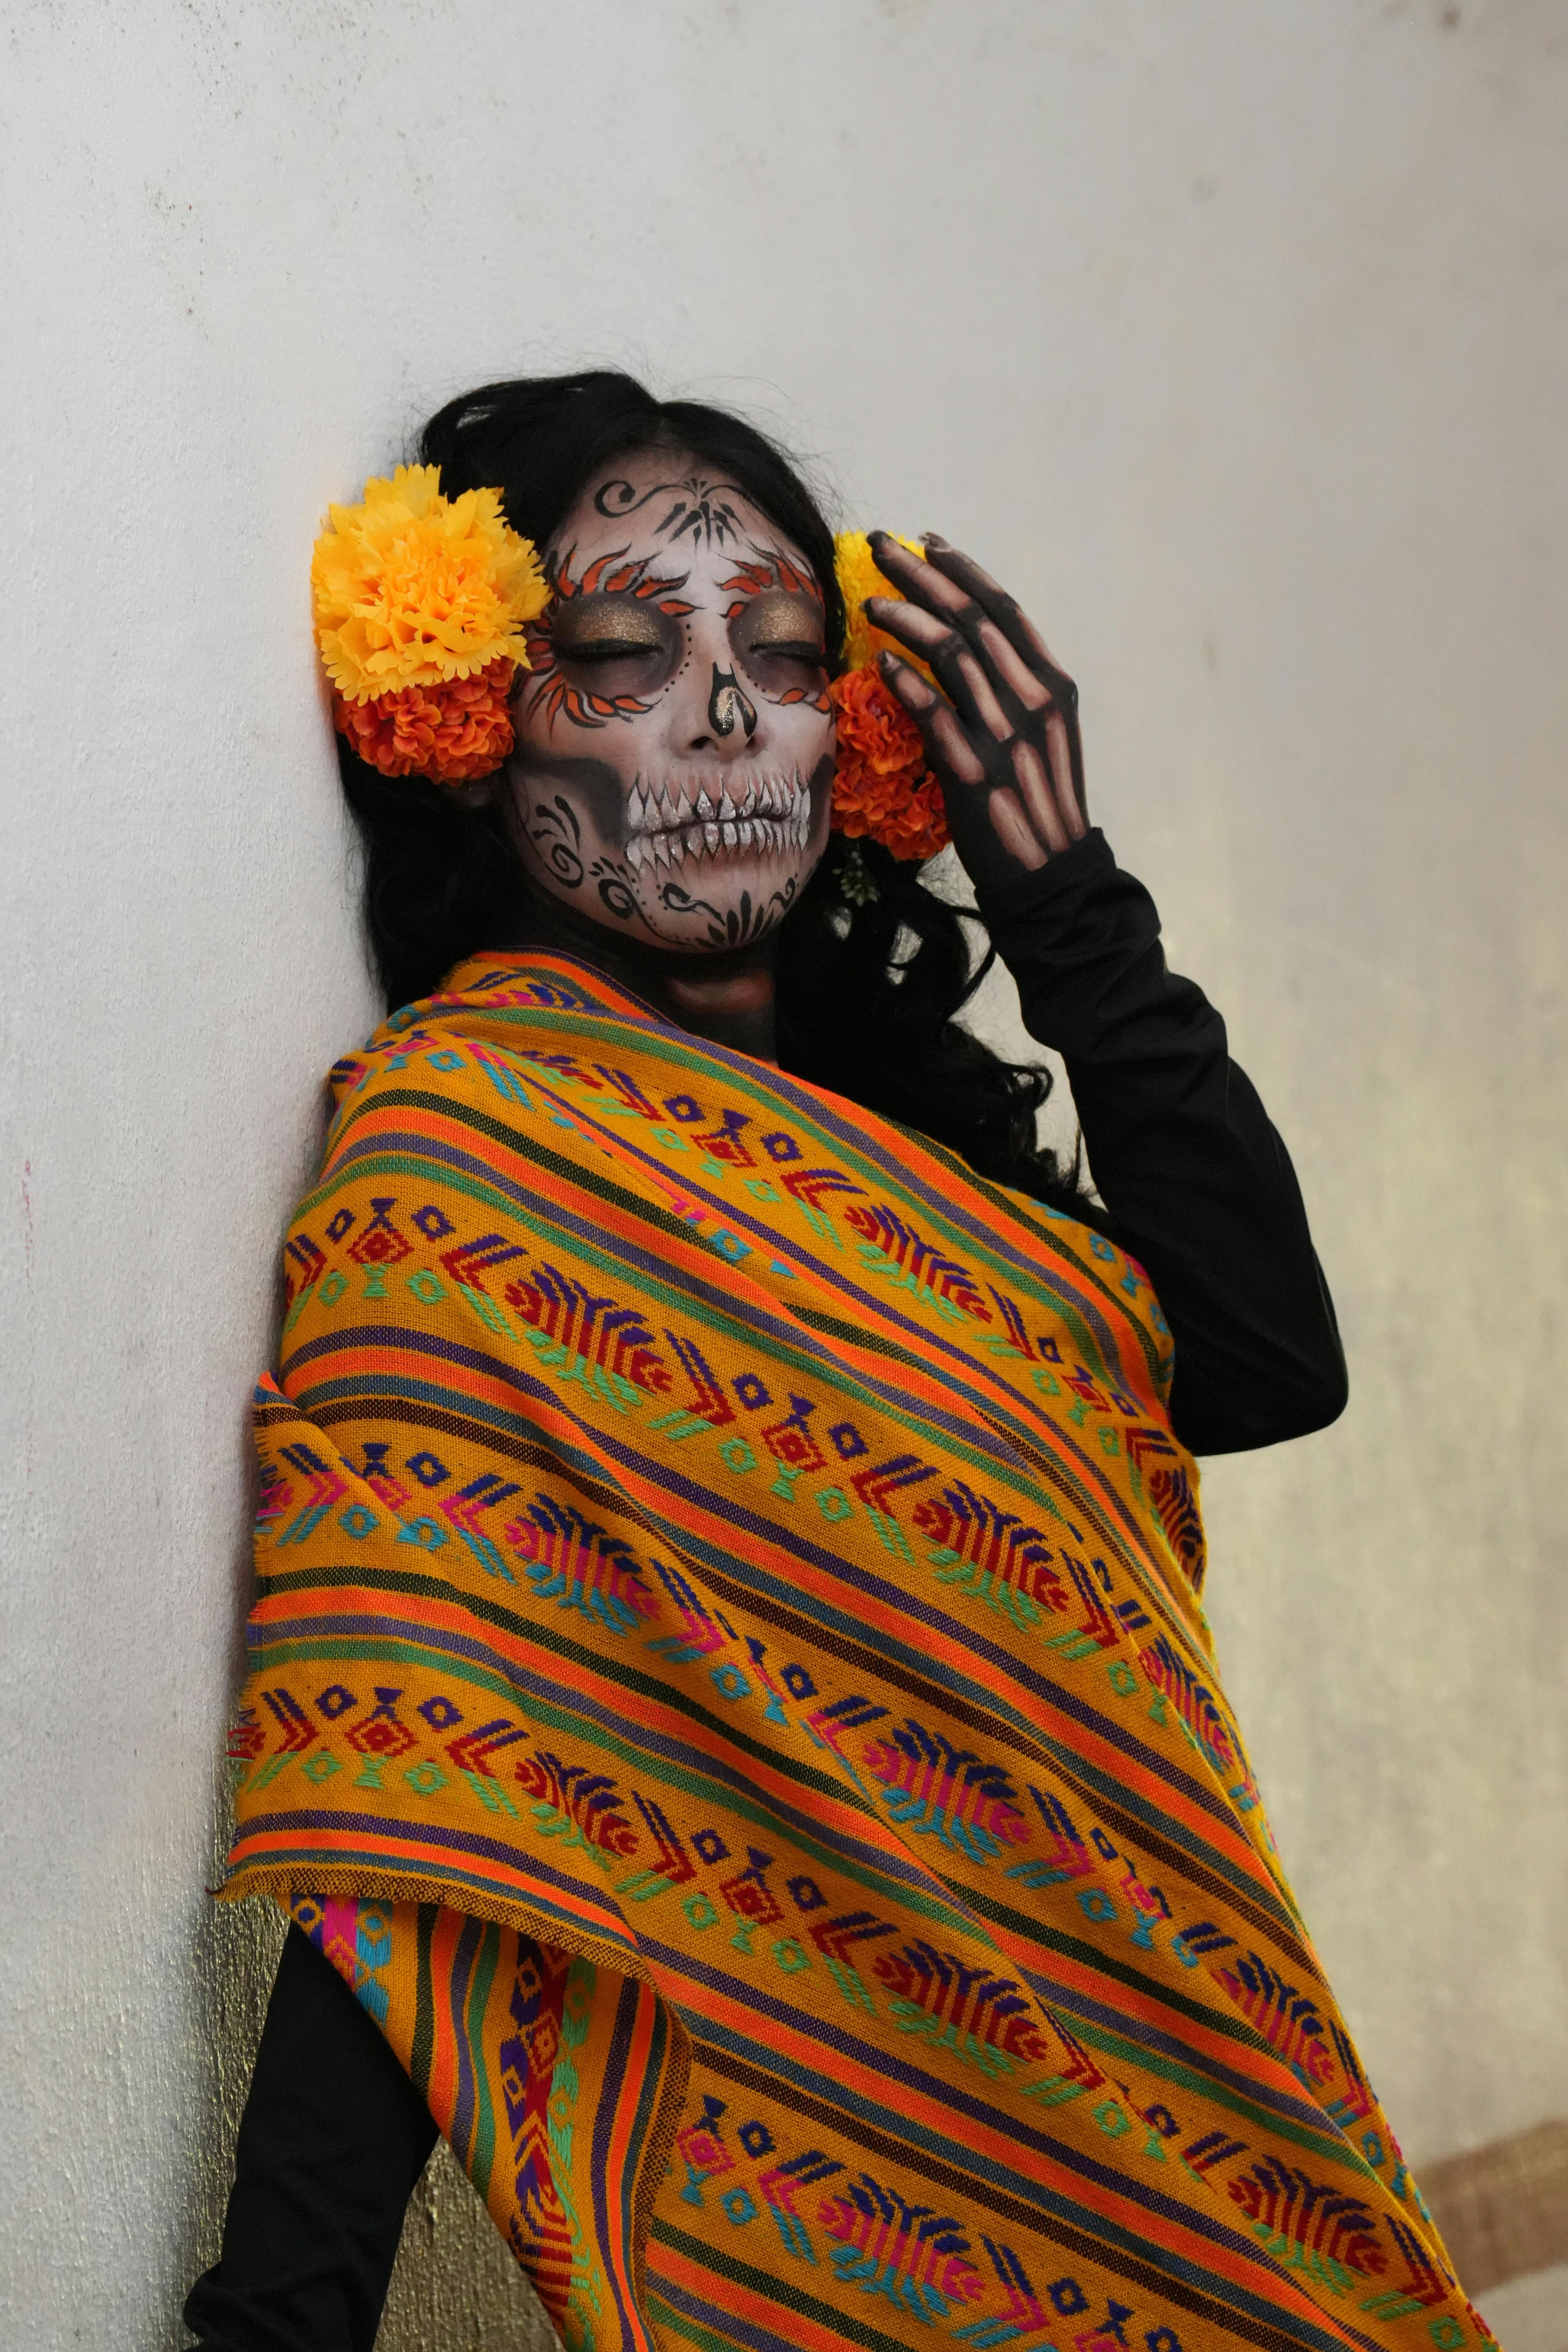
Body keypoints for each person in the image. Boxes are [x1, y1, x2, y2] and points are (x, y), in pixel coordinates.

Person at [185, 374, 1485, 2352]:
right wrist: (281, 2312)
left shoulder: (934, 1170)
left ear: (861, 729)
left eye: (787, 658)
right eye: (625, 652)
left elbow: (1262, 1361)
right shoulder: (460, 1165)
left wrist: (1058, 884)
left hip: (1234, 2185)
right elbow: (423, 1766)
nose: (724, 716)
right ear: (466, 717)